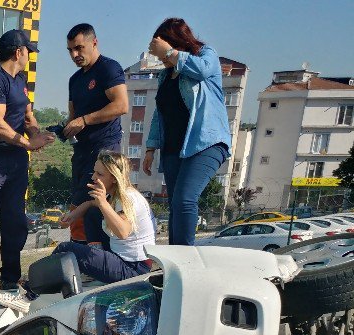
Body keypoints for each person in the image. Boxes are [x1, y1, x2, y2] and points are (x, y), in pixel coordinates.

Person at [0, 29, 55, 292]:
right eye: (28, 51)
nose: (29, 55)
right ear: (18, 52)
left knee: (15, 220)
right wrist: (28, 143)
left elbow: (27, 117)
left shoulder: (20, 80)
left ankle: (9, 278)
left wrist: (38, 134)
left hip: (16, 161)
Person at [142, 18, 231, 246]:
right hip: (173, 148)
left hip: (205, 143)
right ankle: (175, 261)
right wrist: (151, 148)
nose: (160, 58)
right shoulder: (165, 75)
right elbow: (158, 113)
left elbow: (201, 71)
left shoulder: (205, 55)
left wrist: (170, 52)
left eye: (161, 51)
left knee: (184, 200)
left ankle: (186, 260)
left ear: (176, 43)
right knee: (175, 205)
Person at [62, 24, 128, 244]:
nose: (75, 55)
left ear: (94, 42)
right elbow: (73, 117)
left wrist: (84, 120)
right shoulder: (74, 79)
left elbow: (121, 105)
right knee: (78, 201)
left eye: (79, 48)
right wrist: (58, 130)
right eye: (70, 50)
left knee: (94, 203)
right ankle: (80, 252)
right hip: (81, 150)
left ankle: (95, 257)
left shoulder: (108, 69)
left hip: (104, 149)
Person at [55, 151, 154, 283]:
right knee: (93, 212)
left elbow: (123, 232)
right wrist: (71, 217)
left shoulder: (129, 198)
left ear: (114, 178)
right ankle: (94, 267)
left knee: (65, 249)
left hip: (133, 268)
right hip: (122, 258)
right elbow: (90, 203)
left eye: (100, 174)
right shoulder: (114, 194)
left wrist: (102, 203)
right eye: (94, 172)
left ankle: (31, 292)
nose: (94, 177)